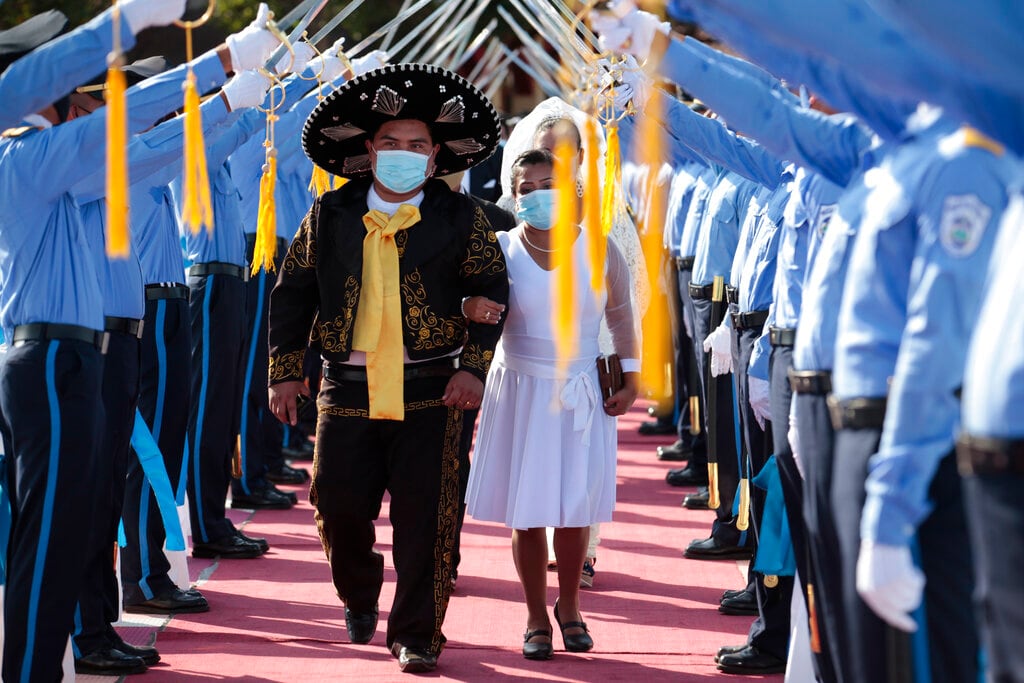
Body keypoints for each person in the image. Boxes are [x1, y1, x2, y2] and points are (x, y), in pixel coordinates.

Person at [267, 63, 509, 674]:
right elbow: (292, 293)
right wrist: (285, 372)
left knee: (429, 518)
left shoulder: (464, 217)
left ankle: (418, 633)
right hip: (343, 388)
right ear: (369, 149)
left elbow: (492, 294)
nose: (404, 154)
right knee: (338, 506)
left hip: (433, 389)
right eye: (392, 144)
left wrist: (475, 369)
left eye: (418, 145)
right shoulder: (329, 215)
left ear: (435, 157)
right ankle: (358, 590)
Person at [465, 145, 640, 659]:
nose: (540, 196)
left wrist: (630, 380)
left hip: (581, 389)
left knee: (573, 507)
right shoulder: (498, 247)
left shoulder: (601, 248)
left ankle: (571, 606)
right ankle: (535, 615)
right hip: (519, 386)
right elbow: (464, 303)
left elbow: (623, 320)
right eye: (528, 189)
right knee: (528, 509)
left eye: (550, 185)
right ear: (513, 196)